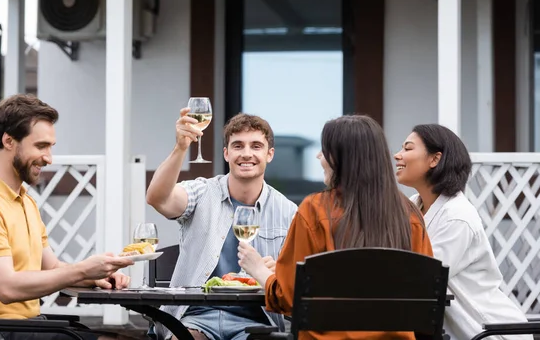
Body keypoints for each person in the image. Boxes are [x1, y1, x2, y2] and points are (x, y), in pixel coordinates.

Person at [0, 94, 135, 340]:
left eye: (50, 147)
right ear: (9, 141)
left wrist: (97, 275)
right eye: (41, 146)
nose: (49, 158)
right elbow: (6, 287)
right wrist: (81, 270)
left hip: (28, 327)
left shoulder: (25, 201)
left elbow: (54, 268)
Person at [238, 115, 433, 340]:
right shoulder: (410, 214)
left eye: (325, 150)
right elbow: (425, 300)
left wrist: (259, 270)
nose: (319, 156)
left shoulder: (314, 210)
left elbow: (290, 297)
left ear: (341, 158)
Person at [146, 109, 298, 340]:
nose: (246, 154)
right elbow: (158, 198)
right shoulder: (202, 191)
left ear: (270, 154)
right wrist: (181, 148)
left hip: (257, 321)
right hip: (195, 317)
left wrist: (279, 272)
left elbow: (299, 282)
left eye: (256, 146)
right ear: (226, 154)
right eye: (238, 146)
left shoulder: (288, 212)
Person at [394, 123, 531, 340]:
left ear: (434, 159)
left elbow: (424, 278)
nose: (397, 155)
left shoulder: (456, 215)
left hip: (490, 333)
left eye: (408, 149)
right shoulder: (414, 205)